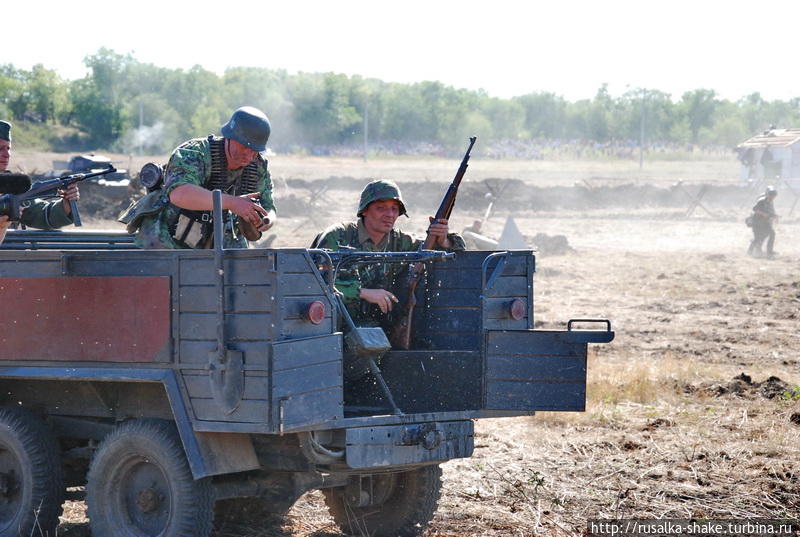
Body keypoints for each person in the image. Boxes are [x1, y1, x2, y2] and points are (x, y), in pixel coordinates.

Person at [311, 179, 465, 326]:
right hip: (332, 324)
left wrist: (443, 239)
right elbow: (315, 284)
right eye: (381, 208)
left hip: (376, 325)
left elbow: (452, 250)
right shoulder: (337, 236)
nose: (389, 214)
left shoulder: (401, 241)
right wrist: (362, 293)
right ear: (364, 210)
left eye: (394, 209)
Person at [121, 106, 276, 249]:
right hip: (168, 237)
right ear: (230, 137)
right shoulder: (194, 153)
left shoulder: (258, 166)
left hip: (220, 238)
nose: (249, 156)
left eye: (254, 151)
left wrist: (265, 220)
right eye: (244, 147)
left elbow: (269, 207)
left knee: (245, 272)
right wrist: (233, 203)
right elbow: (179, 194)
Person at [0, 120, 80, 244]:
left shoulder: (13, 185)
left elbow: (43, 216)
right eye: (0, 148)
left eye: (8, 148)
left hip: (12, 259)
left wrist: (66, 204)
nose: (6, 154)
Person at [747, 186, 778, 258]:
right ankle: (750, 251)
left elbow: (771, 211)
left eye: (773, 195)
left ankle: (769, 251)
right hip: (757, 222)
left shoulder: (770, 201)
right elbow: (754, 209)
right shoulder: (762, 200)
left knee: (772, 234)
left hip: (765, 222)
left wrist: (775, 216)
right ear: (767, 194)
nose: (772, 197)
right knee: (757, 238)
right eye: (771, 195)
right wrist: (763, 214)